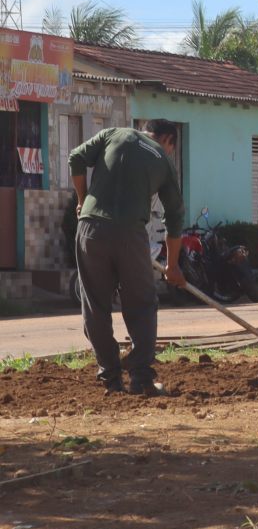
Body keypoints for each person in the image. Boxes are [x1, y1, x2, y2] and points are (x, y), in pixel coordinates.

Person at [69, 120, 186, 395]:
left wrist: (82, 200)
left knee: (95, 306)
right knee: (142, 305)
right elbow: (175, 217)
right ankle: (141, 380)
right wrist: (172, 266)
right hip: (130, 235)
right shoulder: (164, 161)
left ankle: (111, 380)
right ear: (167, 140)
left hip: (90, 230)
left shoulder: (113, 134)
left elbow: (75, 157)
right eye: (172, 147)